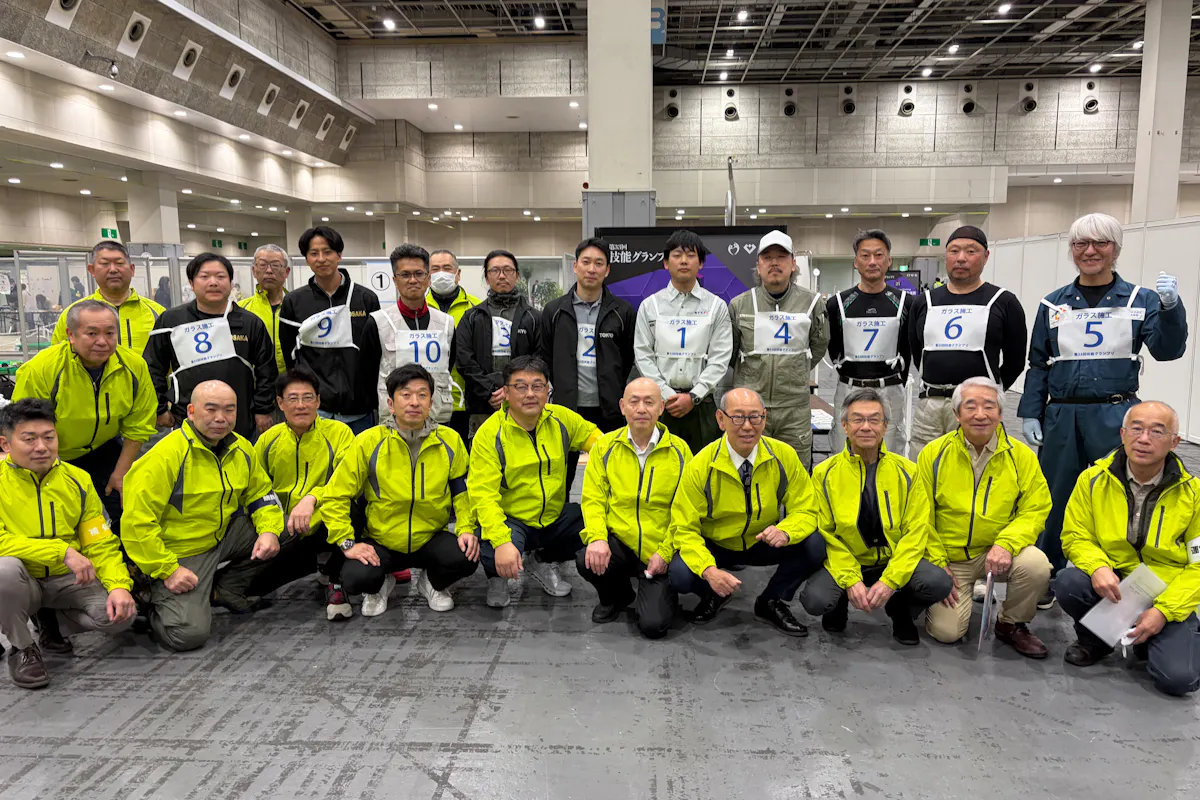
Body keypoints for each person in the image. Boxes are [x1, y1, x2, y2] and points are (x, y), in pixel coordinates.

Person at [1018, 213, 1187, 608]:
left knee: (1117, 494)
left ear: (1116, 249)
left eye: (1100, 243)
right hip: (1062, 415)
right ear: (1072, 250)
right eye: (1081, 243)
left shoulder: (1140, 299)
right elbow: (1039, 363)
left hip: (1115, 414)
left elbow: (1167, 350)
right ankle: (1048, 573)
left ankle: (1114, 575)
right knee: (1054, 495)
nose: (1090, 251)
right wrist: (1030, 411)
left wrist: (1171, 309)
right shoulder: (1053, 303)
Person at [120, 381, 284, 651]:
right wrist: (168, 570)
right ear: (191, 412)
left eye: (229, 410)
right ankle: (147, 597)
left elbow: (261, 493)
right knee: (187, 635)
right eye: (211, 409)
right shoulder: (165, 456)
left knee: (290, 527)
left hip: (223, 535)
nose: (221, 418)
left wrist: (269, 531)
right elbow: (136, 524)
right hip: (179, 553)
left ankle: (226, 588)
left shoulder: (241, 448)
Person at [1054, 401, 1200, 696]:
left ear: (1174, 442)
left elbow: (1198, 565)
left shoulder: (1193, 494)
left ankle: (1152, 635)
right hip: (1115, 583)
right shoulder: (1092, 480)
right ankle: (1097, 640)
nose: (1143, 439)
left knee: (1178, 679)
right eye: (1136, 429)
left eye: (1157, 432)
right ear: (1122, 434)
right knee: (1069, 582)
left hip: (1165, 591)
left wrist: (1164, 611)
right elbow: (1075, 535)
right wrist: (1097, 566)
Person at [0, 399, 136, 689]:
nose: (41, 447)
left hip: (68, 580)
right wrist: (60, 551)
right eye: (29, 439)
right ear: (5, 444)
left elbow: (100, 542)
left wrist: (119, 585)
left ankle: (50, 620)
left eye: (49, 437)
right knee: (3, 571)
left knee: (121, 616)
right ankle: (23, 648)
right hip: (23, 580)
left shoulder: (78, 480)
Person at [322, 364, 478, 617]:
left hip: (430, 537)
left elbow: (462, 493)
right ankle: (380, 586)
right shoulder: (368, 442)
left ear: (431, 402)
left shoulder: (449, 440)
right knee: (355, 577)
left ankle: (432, 584)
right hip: (381, 540)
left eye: (422, 394)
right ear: (391, 404)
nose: (414, 402)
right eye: (406, 395)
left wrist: (466, 528)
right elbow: (334, 495)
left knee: (468, 555)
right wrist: (348, 542)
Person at [667, 388, 826, 636]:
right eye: (738, 417)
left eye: (755, 417)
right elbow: (684, 527)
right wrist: (708, 570)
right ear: (721, 419)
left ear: (764, 418)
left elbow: (807, 508)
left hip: (762, 540)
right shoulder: (700, 465)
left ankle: (771, 600)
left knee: (815, 544)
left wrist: (786, 531)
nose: (748, 426)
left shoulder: (784, 456)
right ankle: (713, 592)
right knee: (680, 574)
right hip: (717, 544)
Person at [800, 388, 951, 644]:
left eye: (874, 420)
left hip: (892, 559)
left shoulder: (908, 472)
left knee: (938, 582)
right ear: (844, 426)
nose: (866, 427)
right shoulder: (824, 474)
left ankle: (900, 609)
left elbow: (916, 532)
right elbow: (827, 535)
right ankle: (839, 602)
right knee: (815, 600)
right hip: (849, 560)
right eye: (857, 419)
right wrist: (850, 580)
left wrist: (890, 581)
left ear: (885, 426)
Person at [918, 377, 1052, 657]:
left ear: (1001, 413)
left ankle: (1011, 623)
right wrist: (937, 563)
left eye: (989, 406)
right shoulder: (933, 454)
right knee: (947, 633)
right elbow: (920, 513)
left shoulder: (1022, 457)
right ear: (957, 414)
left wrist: (1006, 544)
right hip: (952, 559)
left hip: (999, 554)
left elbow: (1035, 508)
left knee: (1036, 564)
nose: (980, 414)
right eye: (970, 406)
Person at [14, 301, 156, 539]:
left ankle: (123, 557)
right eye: (92, 333)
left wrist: (121, 474)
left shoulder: (133, 366)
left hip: (103, 447)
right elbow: (27, 427)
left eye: (110, 333)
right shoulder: (42, 368)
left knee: (124, 507)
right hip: (52, 453)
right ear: (71, 335)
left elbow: (139, 424)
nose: (102, 341)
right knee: (61, 515)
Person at [469, 355, 601, 608]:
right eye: (521, 386)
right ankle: (497, 577)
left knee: (595, 520)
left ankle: (541, 561)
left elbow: (602, 445)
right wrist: (502, 542)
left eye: (537, 386)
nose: (530, 394)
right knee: (491, 544)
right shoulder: (489, 434)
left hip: (552, 516)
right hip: (512, 520)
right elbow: (483, 496)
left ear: (547, 390)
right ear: (506, 393)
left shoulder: (562, 419)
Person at [577, 377, 693, 638]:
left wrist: (665, 552)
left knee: (653, 626)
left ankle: (661, 591)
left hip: (659, 548)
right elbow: (593, 498)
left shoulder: (680, 451)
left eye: (649, 402)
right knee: (586, 559)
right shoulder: (605, 446)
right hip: (620, 542)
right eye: (634, 401)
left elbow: (687, 510)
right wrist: (597, 538)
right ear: (622, 406)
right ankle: (616, 596)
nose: (641, 409)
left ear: (661, 408)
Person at [908, 227, 1027, 453]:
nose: (961, 258)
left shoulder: (1004, 301)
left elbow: (1016, 360)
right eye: (954, 251)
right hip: (929, 405)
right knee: (924, 465)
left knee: (976, 466)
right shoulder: (924, 301)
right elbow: (917, 351)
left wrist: (988, 394)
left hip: (976, 407)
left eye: (971, 251)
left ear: (986, 256)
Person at [253, 366, 357, 621]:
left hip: (326, 520)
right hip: (284, 528)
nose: (301, 405)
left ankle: (336, 580)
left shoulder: (339, 433)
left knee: (356, 508)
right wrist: (270, 526)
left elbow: (348, 481)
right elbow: (255, 489)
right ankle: (316, 565)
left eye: (308, 397)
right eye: (293, 398)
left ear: (318, 401)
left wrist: (312, 499)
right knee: (251, 588)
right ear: (280, 403)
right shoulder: (268, 440)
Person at [144, 253, 276, 440]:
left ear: (230, 282)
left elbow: (267, 371)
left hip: (239, 420)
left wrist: (263, 409)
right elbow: (153, 366)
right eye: (204, 276)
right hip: (186, 419)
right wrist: (159, 407)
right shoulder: (172, 320)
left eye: (221, 276)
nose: (213, 282)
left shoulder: (250, 323)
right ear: (192, 283)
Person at [729, 231, 828, 469]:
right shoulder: (739, 305)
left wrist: (794, 370)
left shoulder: (812, 303)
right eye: (767, 257)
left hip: (794, 409)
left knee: (795, 474)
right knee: (749, 472)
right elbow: (731, 352)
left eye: (781, 257)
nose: (774, 263)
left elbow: (819, 345)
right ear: (758, 266)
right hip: (750, 409)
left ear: (793, 264)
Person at [633, 230, 734, 455]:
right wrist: (666, 393)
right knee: (659, 468)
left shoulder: (716, 307)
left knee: (703, 469)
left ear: (701, 263)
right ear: (666, 263)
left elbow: (720, 358)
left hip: (702, 406)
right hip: (660, 406)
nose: (684, 261)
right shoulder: (650, 306)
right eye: (677, 255)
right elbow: (643, 355)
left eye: (691, 255)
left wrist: (694, 396)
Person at [279, 226, 382, 436]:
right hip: (316, 410)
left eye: (327, 252)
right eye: (314, 253)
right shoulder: (294, 302)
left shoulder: (365, 299)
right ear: (306, 259)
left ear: (339, 255)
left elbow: (375, 353)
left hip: (359, 410)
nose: (321, 259)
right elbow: (291, 356)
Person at [826, 229, 912, 456]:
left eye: (879, 255)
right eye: (865, 256)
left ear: (889, 260)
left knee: (890, 453)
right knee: (843, 452)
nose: (872, 261)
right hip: (848, 388)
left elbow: (909, 347)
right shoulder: (837, 304)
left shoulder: (906, 303)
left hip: (890, 390)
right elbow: (833, 346)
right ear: (856, 262)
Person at [540, 237, 636, 433]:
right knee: (565, 454)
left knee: (609, 453)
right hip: (566, 408)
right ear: (575, 266)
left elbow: (628, 358)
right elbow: (545, 357)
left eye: (599, 263)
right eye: (586, 262)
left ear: (607, 270)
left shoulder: (623, 311)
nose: (592, 269)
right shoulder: (554, 311)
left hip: (610, 409)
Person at [455, 250, 541, 440]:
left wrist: (513, 390)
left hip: (523, 405)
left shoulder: (533, 318)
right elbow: (464, 361)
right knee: (483, 453)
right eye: (495, 271)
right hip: (482, 406)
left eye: (507, 270)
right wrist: (490, 391)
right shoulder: (472, 317)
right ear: (487, 277)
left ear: (517, 275)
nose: (502, 276)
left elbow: (539, 359)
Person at [372, 244, 457, 424]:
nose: (412, 280)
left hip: (438, 416)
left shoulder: (446, 323)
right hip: (393, 419)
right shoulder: (378, 322)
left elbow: (448, 365)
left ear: (428, 278)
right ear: (395, 281)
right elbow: (368, 374)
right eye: (405, 275)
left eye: (419, 274)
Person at [52, 241, 165, 354]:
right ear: (92, 270)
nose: (113, 270)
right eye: (105, 264)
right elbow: (58, 358)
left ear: (132, 269)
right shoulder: (73, 314)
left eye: (119, 263)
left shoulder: (158, 314)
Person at [426, 249, 480, 444]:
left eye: (447, 268)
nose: (441, 273)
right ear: (427, 275)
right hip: (428, 404)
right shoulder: (418, 308)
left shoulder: (476, 308)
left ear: (458, 274)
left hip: (466, 403)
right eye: (435, 269)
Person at [239, 244, 292, 376]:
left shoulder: (297, 307)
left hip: (292, 383)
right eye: (262, 265)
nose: (269, 271)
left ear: (286, 272)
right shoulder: (240, 310)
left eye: (275, 265)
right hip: (254, 384)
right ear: (254, 270)